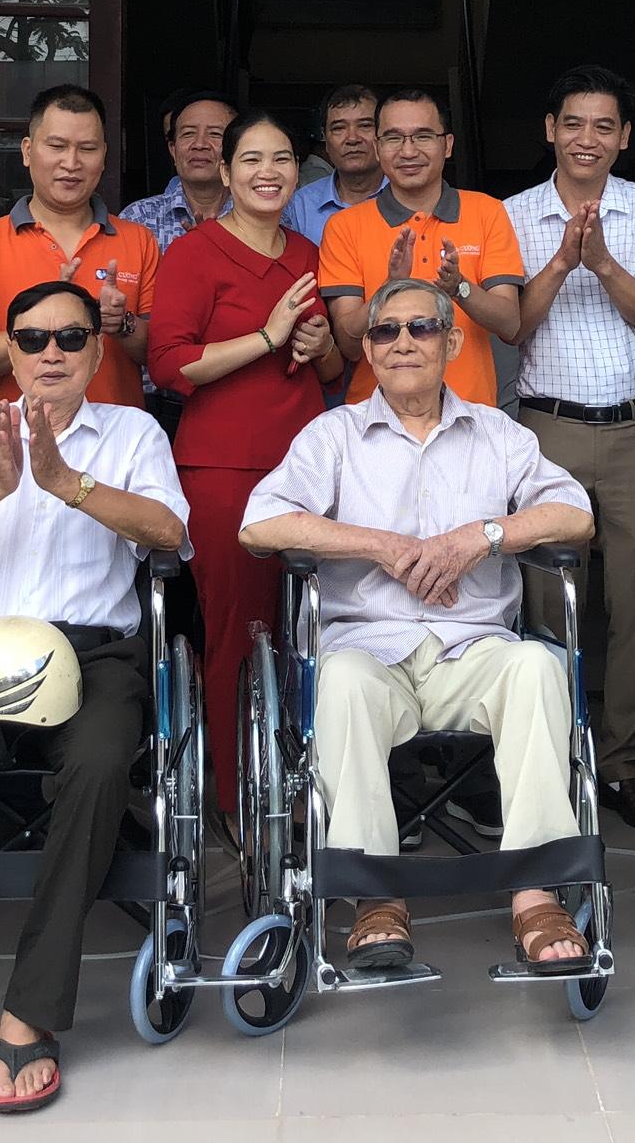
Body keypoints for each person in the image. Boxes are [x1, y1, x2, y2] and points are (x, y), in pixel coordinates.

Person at [0, 280, 190, 1117]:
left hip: (95, 656)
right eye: (32, 338)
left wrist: (66, 484)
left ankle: (31, 1010)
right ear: (9, 351)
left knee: (97, 769)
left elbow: (171, 536)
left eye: (69, 338)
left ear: (96, 349)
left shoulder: (132, 432)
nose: (50, 353)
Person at [241, 277, 596, 975]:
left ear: (453, 342)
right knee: (338, 679)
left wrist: (483, 535)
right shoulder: (334, 435)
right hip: (371, 652)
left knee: (537, 667)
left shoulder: (498, 434)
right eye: (384, 331)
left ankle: (535, 892)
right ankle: (377, 897)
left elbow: (576, 515)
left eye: (421, 328)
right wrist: (376, 543)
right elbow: (259, 524)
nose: (402, 343)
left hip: (474, 650)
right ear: (368, 348)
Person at [148, 108, 346, 813]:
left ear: (300, 172)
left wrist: (314, 341)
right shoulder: (193, 254)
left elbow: (332, 367)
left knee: (312, 630)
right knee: (240, 634)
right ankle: (237, 801)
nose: (269, 173)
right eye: (253, 160)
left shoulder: (307, 252)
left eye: (284, 158)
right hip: (224, 467)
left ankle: (309, 788)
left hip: (308, 463)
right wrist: (266, 337)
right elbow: (169, 365)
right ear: (225, 172)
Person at [506, 65, 635, 833]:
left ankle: (624, 766)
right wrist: (561, 261)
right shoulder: (509, 215)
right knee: (547, 604)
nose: (587, 139)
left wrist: (602, 260)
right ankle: (551, 760)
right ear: (549, 129)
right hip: (549, 428)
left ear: (624, 138)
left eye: (604, 126)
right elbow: (515, 324)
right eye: (573, 123)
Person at [0, 85, 158, 410]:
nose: (71, 163)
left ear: (104, 156)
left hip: (115, 442)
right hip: (19, 440)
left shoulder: (138, 240)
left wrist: (120, 323)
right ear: (28, 151)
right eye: (57, 146)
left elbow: (160, 355)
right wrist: (45, 327)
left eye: (87, 148)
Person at [317, 87, 523, 407]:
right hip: (375, 421)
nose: (408, 151)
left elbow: (510, 324)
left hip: (470, 415)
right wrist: (388, 287)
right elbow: (348, 344)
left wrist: (460, 288)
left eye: (423, 136)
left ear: (448, 145)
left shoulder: (487, 212)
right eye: (394, 138)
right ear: (377, 147)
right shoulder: (344, 226)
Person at [120, 89, 238, 253]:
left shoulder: (260, 219)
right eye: (189, 133)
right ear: (173, 149)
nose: (200, 144)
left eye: (215, 134)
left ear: (238, 148)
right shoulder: (139, 218)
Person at [284, 83, 384, 244]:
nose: (352, 138)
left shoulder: (406, 197)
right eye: (338, 128)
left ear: (383, 133)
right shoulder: (300, 206)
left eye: (365, 126)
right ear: (325, 138)